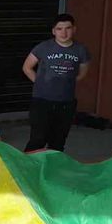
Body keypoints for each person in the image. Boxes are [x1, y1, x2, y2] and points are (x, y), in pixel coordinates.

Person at [22, 13, 90, 152]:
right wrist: (40, 83)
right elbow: (27, 67)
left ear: (74, 29)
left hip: (66, 102)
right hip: (42, 101)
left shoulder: (81, 50)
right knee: (37, 139)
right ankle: (28, 170)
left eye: (68, 28)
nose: (64, 32)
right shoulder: (43, 47)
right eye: (59, 29)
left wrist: (66, 83)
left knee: (58, 141)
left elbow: (82, 73)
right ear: (53, 31)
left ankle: (53, 171)